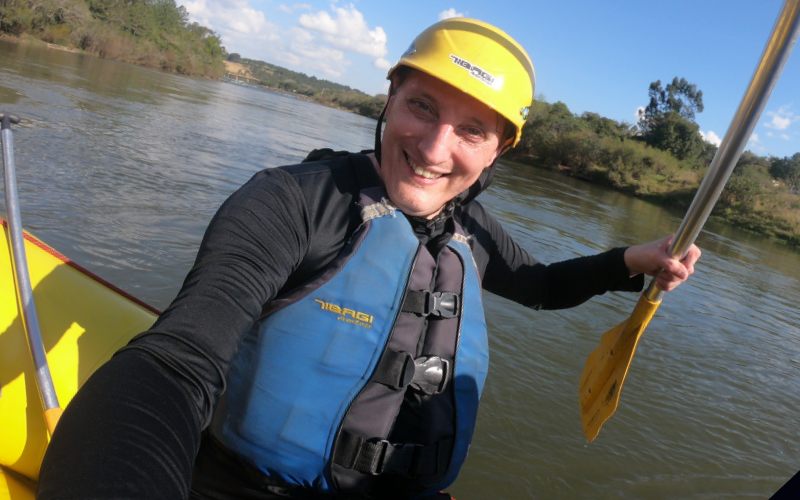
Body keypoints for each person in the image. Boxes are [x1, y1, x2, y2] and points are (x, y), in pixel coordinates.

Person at [38, 17, 700, 499]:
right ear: (388, 97)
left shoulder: (464, 225)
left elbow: (541, 286)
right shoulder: (295, 201)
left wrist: (631, 262)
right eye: (421, 106)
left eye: (472, 129)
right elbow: (175, 365)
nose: (436, 148)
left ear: (499, 150)